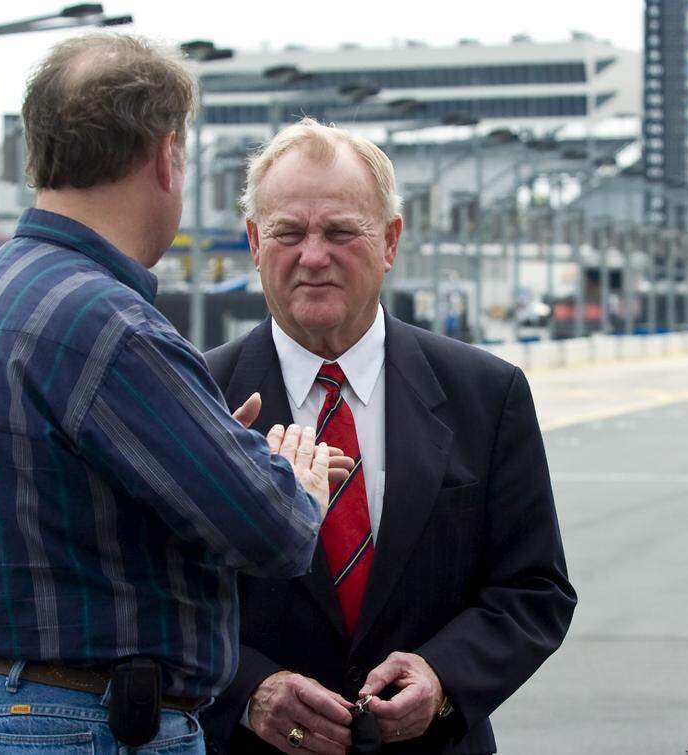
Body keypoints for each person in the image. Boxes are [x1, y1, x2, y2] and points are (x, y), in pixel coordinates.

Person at [0, 36, 347, 754]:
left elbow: (39, 510)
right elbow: (274, 531)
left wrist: (190, 451)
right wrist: (287, 479)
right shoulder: (108, 326)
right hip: (83, 724)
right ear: (166, 155)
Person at [201, 118, 577, 754]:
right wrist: (249, 690)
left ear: (391, 242)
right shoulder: (199, 397)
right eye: (288, 233)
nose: (313, 256)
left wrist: (443, 677)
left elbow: (533, 589)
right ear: (254, 243)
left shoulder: (486, 393)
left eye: (342, 232)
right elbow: (144, 598)